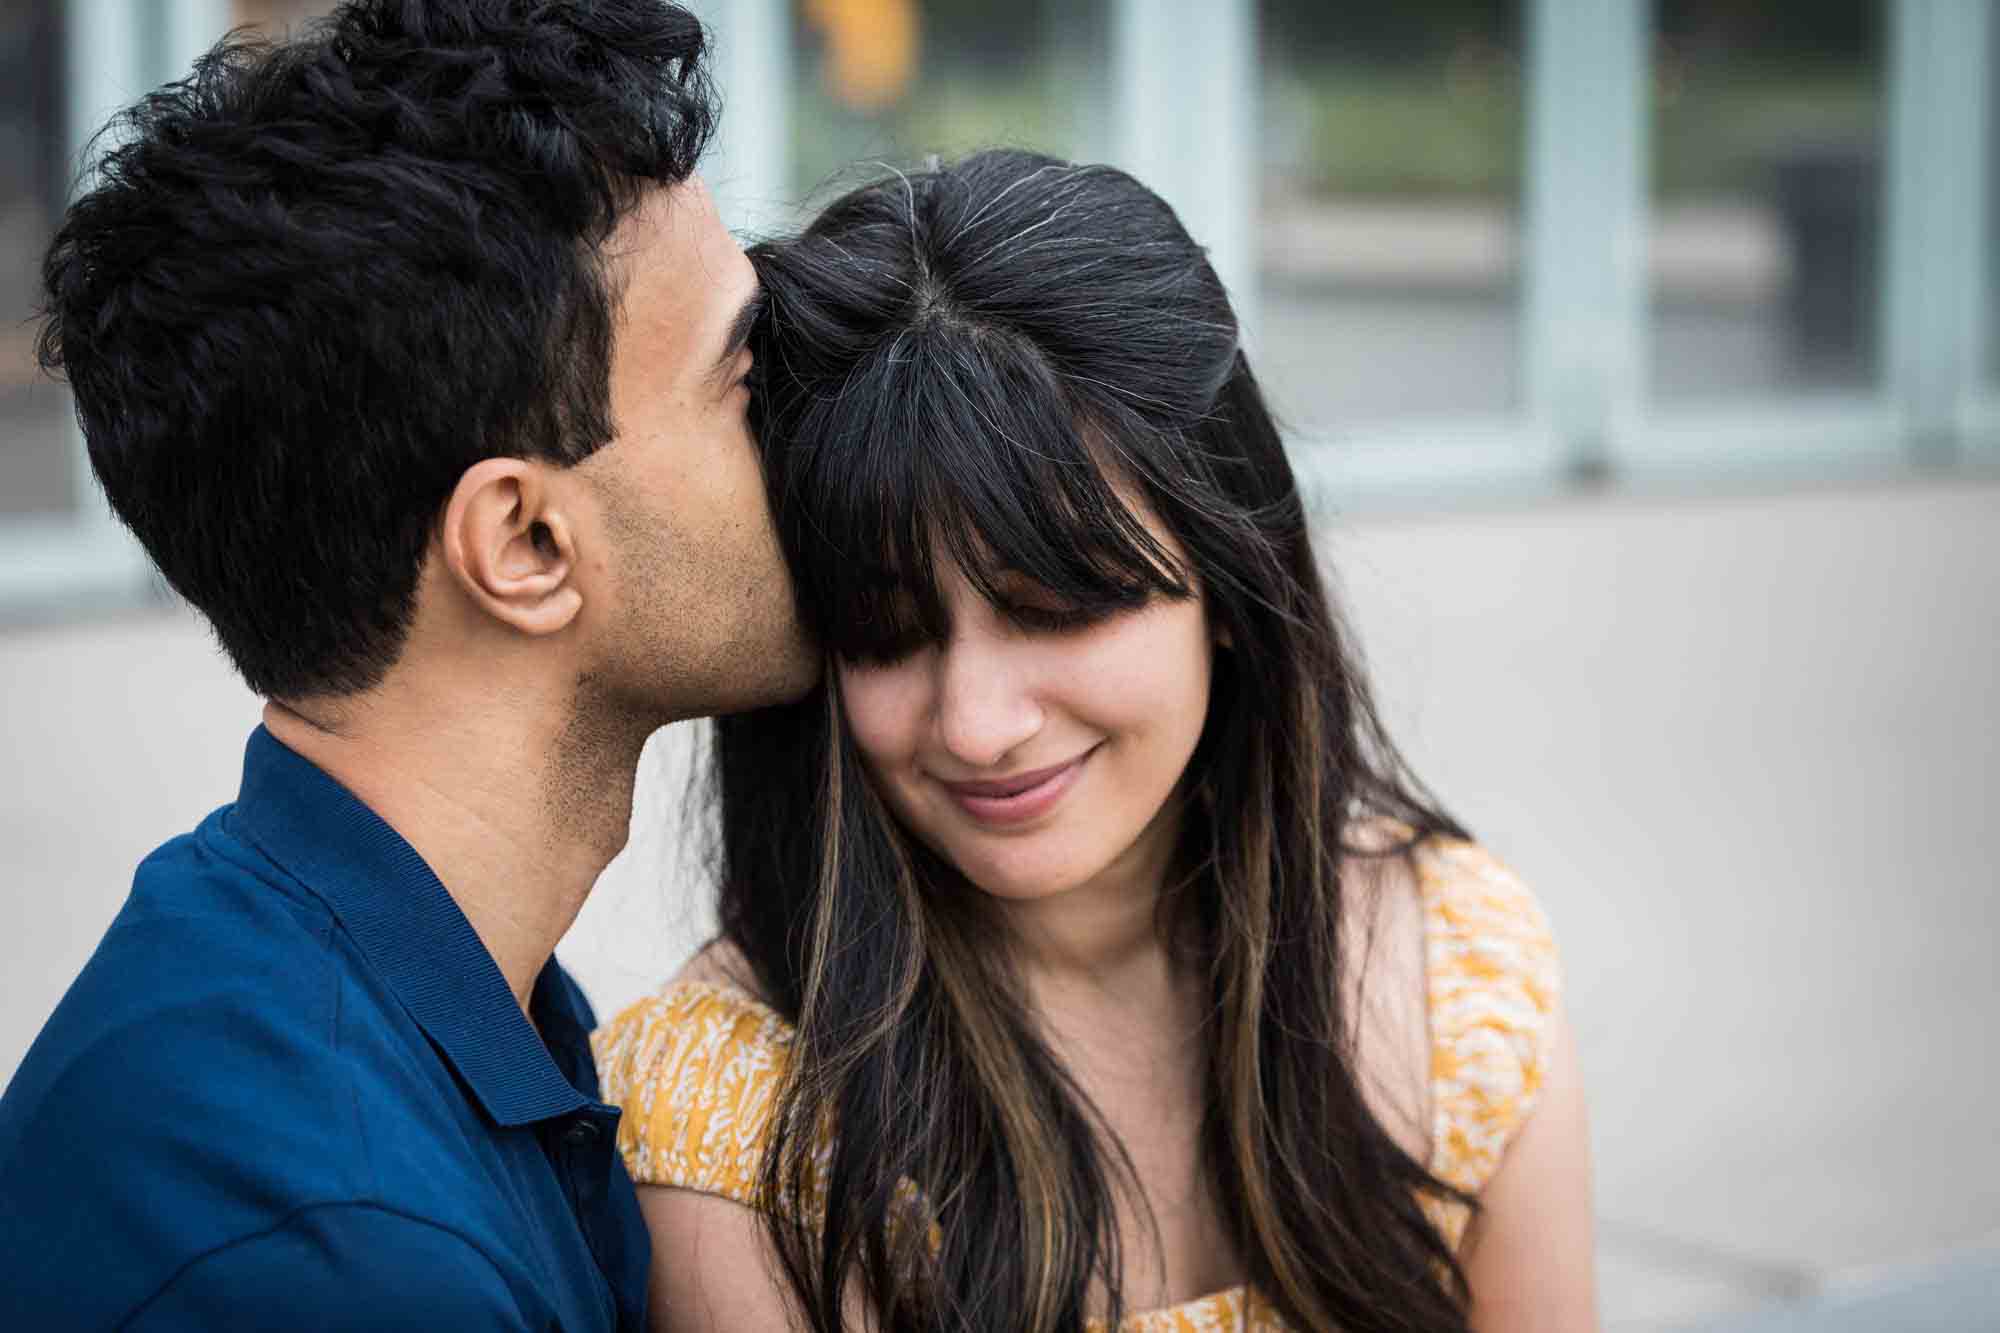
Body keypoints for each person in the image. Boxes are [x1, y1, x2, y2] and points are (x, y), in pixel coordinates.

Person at [594, 150, 1598, 1332]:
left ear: (1229, 583)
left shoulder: (1450, 970)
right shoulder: (732, 1115)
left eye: (1053, 605)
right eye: (884, 629)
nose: (976, 722)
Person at [0, 3, 814, 1329]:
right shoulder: (345, 1248)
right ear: (529, 542)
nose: (800, 426)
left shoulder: (376, 1005)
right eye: (741, 375)